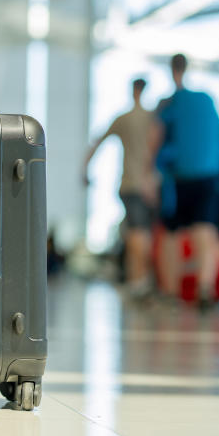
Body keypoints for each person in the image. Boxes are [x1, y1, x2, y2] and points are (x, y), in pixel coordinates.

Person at [156, 54, 219, 310]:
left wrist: (148, 169)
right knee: (205, 232)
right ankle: (205, 288)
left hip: (180, 176)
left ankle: (170, 292)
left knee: (172, 234)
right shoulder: (206, 100)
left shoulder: (169, 104)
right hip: (208, 176)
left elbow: (157, 138)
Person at [84, 78, 160, 298]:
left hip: (130, 183)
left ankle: (139, 281)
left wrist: (85, 169)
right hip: (150, 184)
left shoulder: (124, 119)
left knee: (136, 233)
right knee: (140, 232)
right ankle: (139, 280)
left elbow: (98, 142)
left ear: (133, 90)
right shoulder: (153, 118)